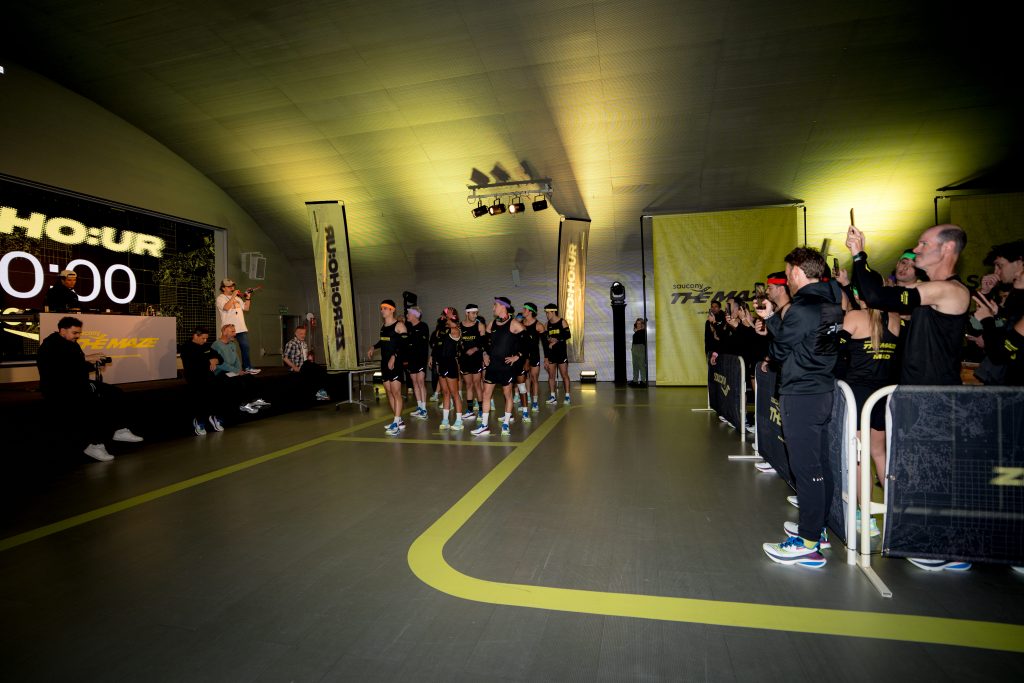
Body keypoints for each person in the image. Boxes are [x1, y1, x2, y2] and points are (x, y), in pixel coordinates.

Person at [757, 247, 843, 569]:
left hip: (801, 395)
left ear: (796, 272)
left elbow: (780, 351)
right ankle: (817, 530)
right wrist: (771, 318)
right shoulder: (831, 303)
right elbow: (802, 344)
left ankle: (807, 543)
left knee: (807, 470)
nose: (787, 280)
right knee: (820, 466)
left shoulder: (802, 308)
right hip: (821, 391)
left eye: (787, 273)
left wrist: (771, 326)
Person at [847, 224, 971, 386]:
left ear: (947, 248)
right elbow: (879, 293)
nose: (916, 249)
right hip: (914, 388)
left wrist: (859, 255)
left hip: (936, 391)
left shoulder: (951, 290)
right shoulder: (927, 289)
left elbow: (875, 297)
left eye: (924, 244)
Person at [36, 316, 144, 461]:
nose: (77, 336)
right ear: (62, 331)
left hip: (77, 383)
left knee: (115, 393)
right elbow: (60, 364)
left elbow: (77, 366)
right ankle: (94, 445)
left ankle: (119, 429)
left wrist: (93, 364)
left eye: (79, 333)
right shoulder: (49, 345)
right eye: (75, 333)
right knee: (92, 405)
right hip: (58, 388)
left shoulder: (72, 344)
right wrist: (85, 358)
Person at [471, 297, 525, 436]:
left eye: (495, 305)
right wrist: (485, 354)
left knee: (507, 394)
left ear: (503, 306)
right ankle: (484, 426)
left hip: (506, 366)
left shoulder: (514, 324)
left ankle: (506, 424)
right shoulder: (492, 324)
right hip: (492, 365)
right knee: (486, 394)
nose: (493, 307)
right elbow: (484, 341)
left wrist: (517, 356)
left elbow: (528, 342)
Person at [367, 299, 407, 436]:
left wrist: (394, 356)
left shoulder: (400, 325)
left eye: (385, 308)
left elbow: (404, 345)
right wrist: (373, 346)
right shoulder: (383, 326)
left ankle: (396, 423)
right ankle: (398, 420)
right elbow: (383, 341)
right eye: (381, 308)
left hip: (395, 363)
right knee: (389, 391)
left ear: (392, 310)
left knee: (396, 392)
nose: (382, 310)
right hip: (384, 363)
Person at [211, 324, 270, 414]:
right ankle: (243, 405)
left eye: (235, 331)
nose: (235, 334)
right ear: (224, 332)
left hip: (232, 371)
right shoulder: (216, 345)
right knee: (238, 382)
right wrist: (236, 371)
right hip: (220, 372)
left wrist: (240, 370)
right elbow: (220, 364)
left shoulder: (232, 344)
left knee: (250, 378)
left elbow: (236, 360)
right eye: (232, 332)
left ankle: (255, 401)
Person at [180, 327, 228, 436]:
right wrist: (209, 360)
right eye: (203, 338)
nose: (205, 340)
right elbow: (194, 363)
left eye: (206, 338)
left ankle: (215, 417)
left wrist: (215, 360)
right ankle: (199, 421)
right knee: (200, 399)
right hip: (195, 378)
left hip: (209, 376)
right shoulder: (186, 347)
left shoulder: (206, 346)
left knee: (219, 393)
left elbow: (220, 358)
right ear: (195, 336)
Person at [430, 307, 465, 431]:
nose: (445, 314)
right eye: (445, 313)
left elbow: (449, 328)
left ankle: (459, 421)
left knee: (455, 393)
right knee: (445, 393)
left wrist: (446, 320)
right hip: (441, 363)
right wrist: (432, 357)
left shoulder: (455, 330)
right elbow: (437, 344)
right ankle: (445, 420)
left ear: (453, 315)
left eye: (448, 312)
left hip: (450, 364)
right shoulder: (442, 329)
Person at [216, 279, 259, 373]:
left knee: (245, 347)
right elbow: (226, 307)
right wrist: (233, 296)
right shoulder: (220, 298)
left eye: (233, 286)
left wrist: (248, 297)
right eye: (229, 286)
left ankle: (247, 367)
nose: (232, 288)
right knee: (226, 349)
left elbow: (246, 308)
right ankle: (226, 370)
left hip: (240, 327)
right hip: (228, 328)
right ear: (223, 288)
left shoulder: (238, 298)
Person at [283, 324, 330, 401]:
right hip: (298, 367)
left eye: (304, 334)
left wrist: (310, 357)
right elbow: (285, 358)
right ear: (296, 334)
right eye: (301, 334)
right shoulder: (291, 343)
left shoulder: (304, 343)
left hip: (306, 366)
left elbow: (305, 357)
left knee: (321, 371)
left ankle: (320, 393)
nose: (303, 335)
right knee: (318, 370)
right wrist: (294, 367)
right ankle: (320, 394)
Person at [458, 304, 487, 421]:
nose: (475, 315)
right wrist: (463, 350)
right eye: (473, 313)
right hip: (464, 360)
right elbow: (458, 343)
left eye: (476, 313)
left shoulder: (480, 325)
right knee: (468, 385)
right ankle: (470, 411)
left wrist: (475, 349)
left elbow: (484, 343)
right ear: (467, 313)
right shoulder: (459, 326)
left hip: (476, 359)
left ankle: (481, 410)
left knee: (477, 385)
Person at [404, 306, 431, 419]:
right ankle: (419, 407)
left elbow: (422, 344)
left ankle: (424, 409)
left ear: (415, 315)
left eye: (409, 313)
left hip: (420, 359)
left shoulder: (423, 326)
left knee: (420, 382)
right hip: (411, 359)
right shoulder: (407, 327)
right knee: (414, 382)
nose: (407, 315)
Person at [543, 303, 572, 404]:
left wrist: (556, 340)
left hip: (561, 353)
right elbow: (545, 339)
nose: (547, 315)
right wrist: (546, 357)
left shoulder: (562, 321)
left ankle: (567, 396)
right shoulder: (546, 324)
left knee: (564, 375)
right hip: (551, 354)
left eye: (548, 313)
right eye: (546, 313)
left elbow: (568, 335)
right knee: (551, 376)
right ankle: (552, 397)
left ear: (553, 312)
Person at [519, 303, 546, 412]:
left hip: (534, 355)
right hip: (522, 356)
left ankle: (535, 402)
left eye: (525, 309)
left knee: (534, 378)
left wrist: (547, 358)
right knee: (524, 378)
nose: (523, 310)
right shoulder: (520, 324)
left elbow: (545, 343)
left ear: (530, 311)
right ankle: (527, 399)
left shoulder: (539, 325)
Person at [630, 318, 648, 386]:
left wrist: (637, 330)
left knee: (641, 365)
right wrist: (632, 348)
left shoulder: (643, 331)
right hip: (634, 348)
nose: (638, 325)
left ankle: (643, 381)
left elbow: (641, 338)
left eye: (640, 323)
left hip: (640, 348)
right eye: (637, 323)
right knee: (635, 365)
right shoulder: (636, 331)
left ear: (642, 324)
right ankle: (635, 380)